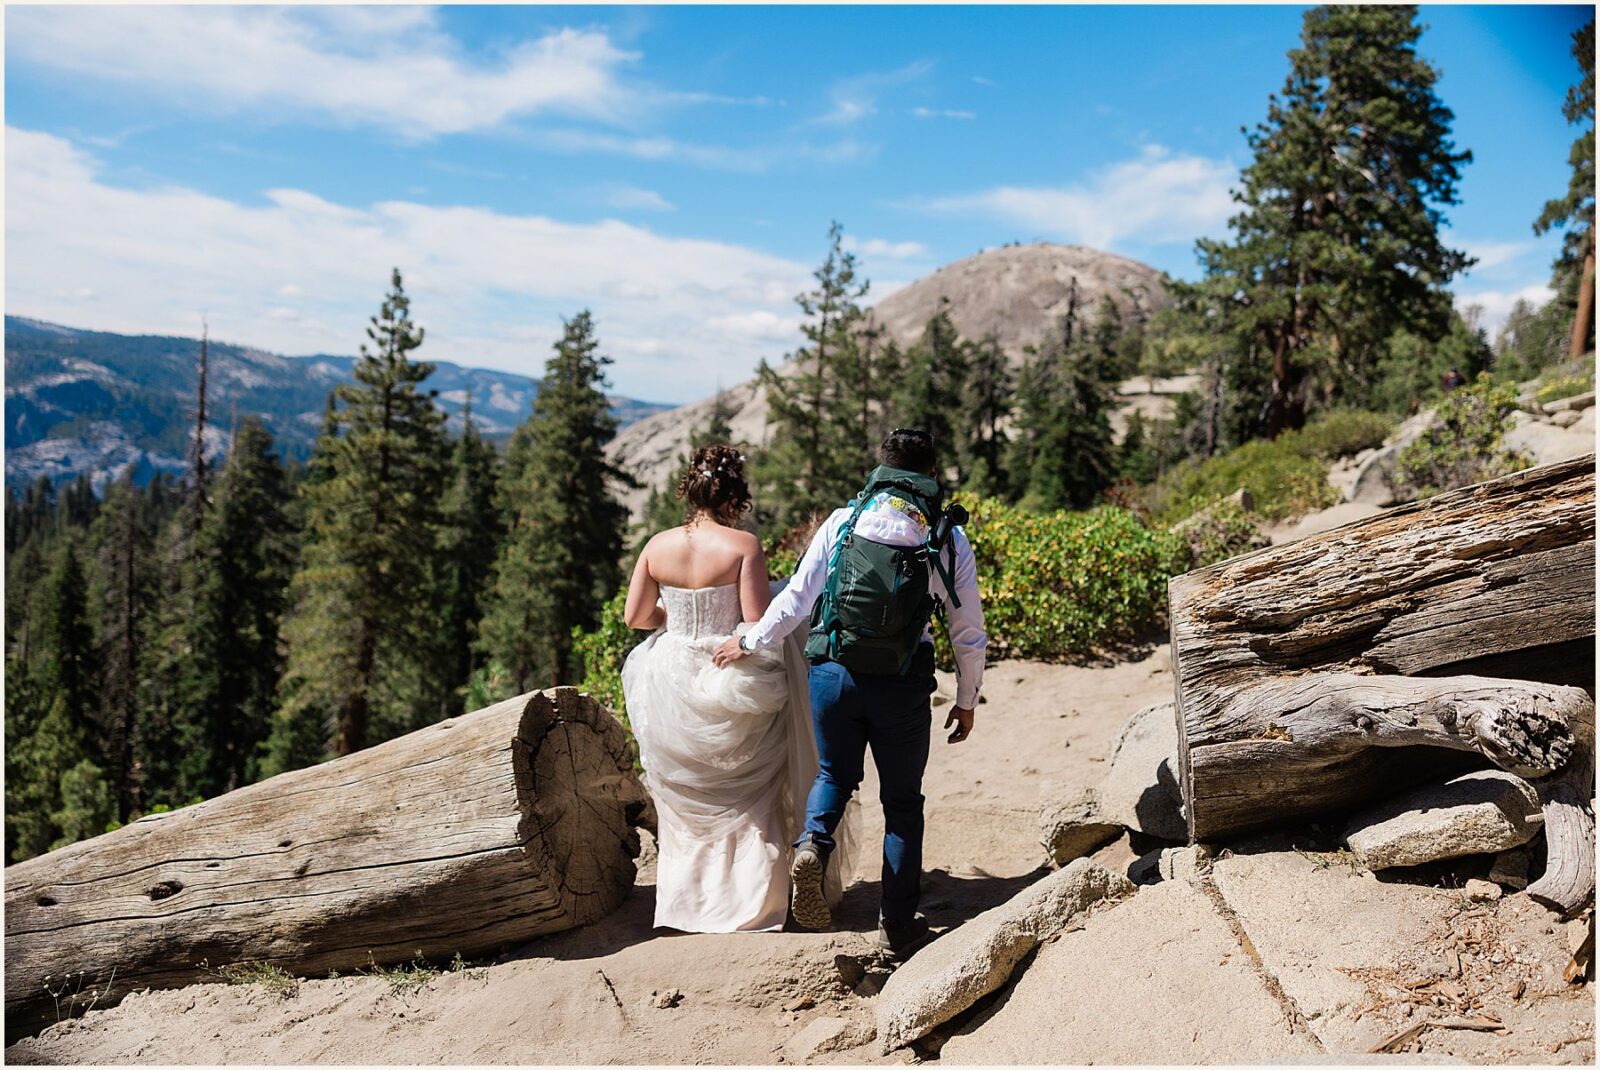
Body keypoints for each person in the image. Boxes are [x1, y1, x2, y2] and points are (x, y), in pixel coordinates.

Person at [714, 429, 988, 958]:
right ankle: (898, 923)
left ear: (882, 467)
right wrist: (967, 698)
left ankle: (814, 844)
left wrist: (748, 640)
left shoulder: (844, 522)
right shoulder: (946, 537)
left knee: (833, 775)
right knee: (903, 803)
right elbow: (967, 628)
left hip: (833, 674)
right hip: (902, 685)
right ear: (931, 473)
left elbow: (797, 598)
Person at [621, 444, 854, 932]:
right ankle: (750, 905)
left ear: (691, 491)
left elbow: (637, 617)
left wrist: (679, 620)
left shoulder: (656, 546)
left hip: (669, 676)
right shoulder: (742, 545)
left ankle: (686, 906)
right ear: (735, 497)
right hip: (728, 671)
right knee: (753, 789)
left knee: (687, 794)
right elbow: (754, 623)